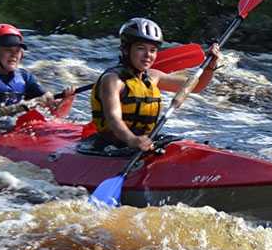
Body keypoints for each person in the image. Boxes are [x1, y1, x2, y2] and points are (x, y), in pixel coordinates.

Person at [85, 17, 221, 152]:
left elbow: (197, 86)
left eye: (152, 50)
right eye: (141, 48)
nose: (148, 55)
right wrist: (132, 139)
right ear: (126, 49)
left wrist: (210, 67)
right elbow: (113, 119)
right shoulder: (112, 80)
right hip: (110, 146)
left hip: (145, 142)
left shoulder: (153, 76)